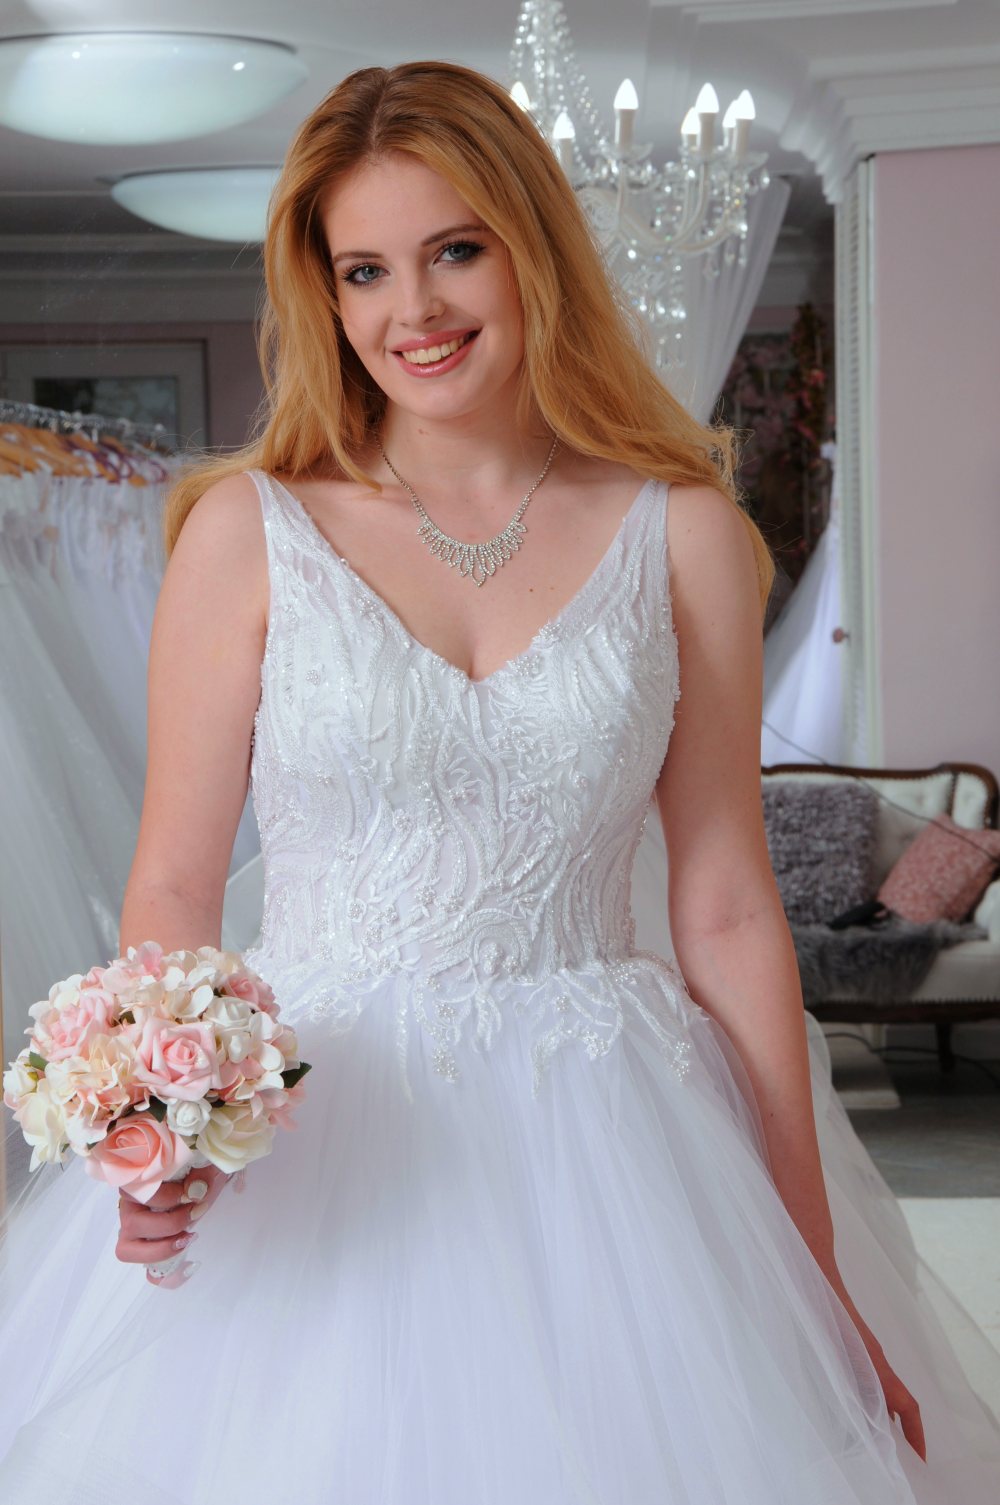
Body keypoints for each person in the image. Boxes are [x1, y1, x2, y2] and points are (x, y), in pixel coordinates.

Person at [1, 59, 999, 1505]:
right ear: (325, 296)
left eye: (454, 250)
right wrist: (160, 1137)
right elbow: (173, 879)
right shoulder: (246, 531)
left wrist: (813, 1263)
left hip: (616, 1131)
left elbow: (726, 904)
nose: (413, 309)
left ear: (532, 248)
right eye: (365, 270)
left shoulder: (685, 532)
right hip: (323, 1132)